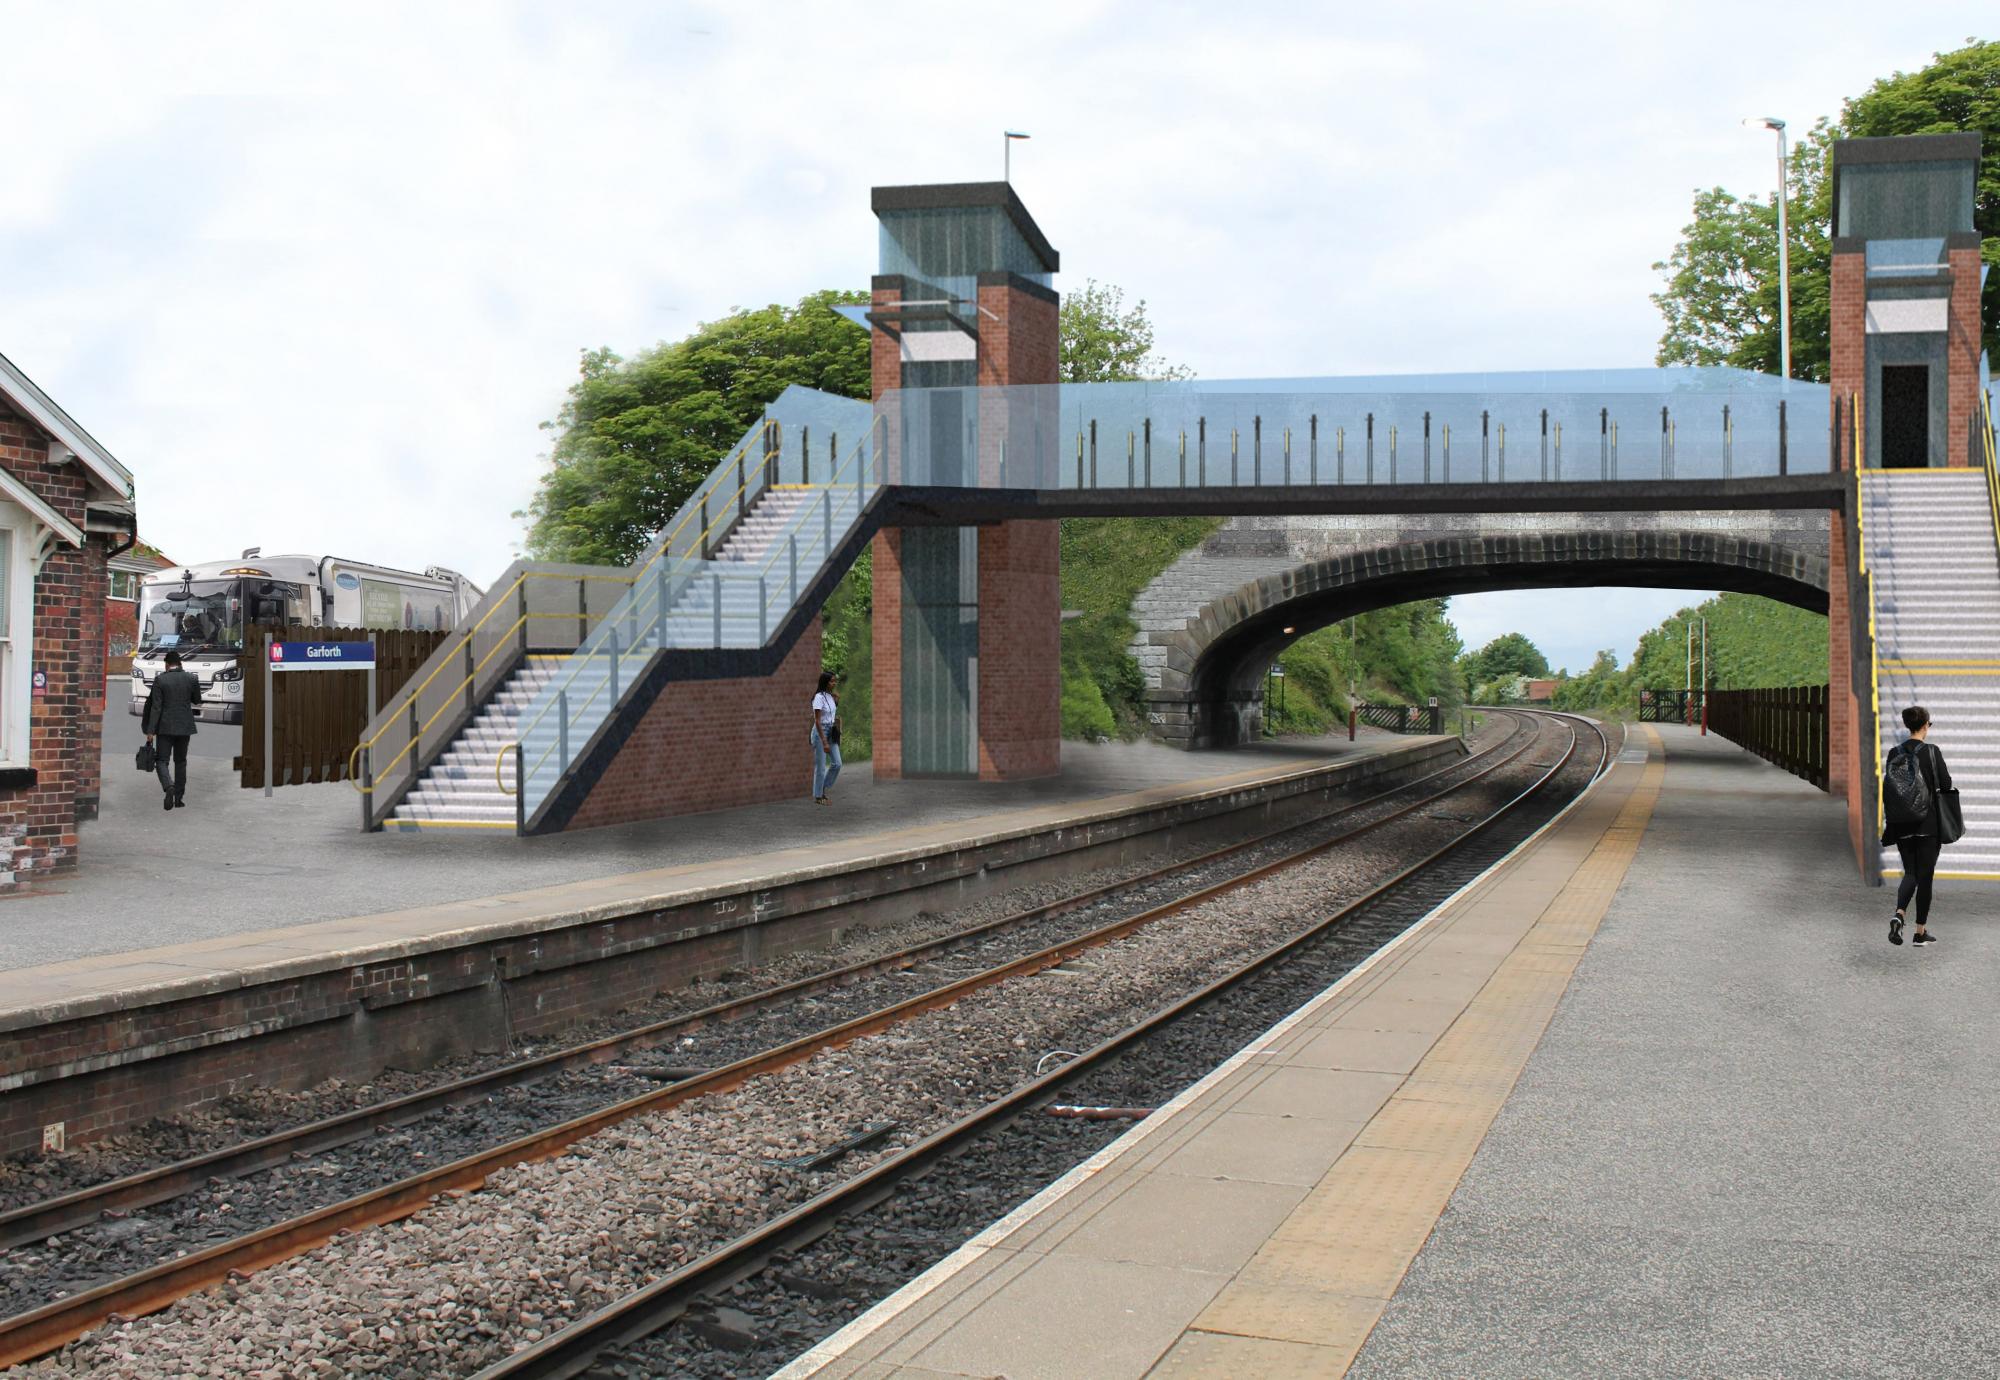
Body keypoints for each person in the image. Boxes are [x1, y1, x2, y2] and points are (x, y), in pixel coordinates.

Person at [1882, 704, 1951, 947]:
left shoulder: (1894, 753)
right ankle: (1920, 932)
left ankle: (1899, 914)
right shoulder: (1932, 751)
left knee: (1910, 873)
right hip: (1927, 825)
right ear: (1925, 726)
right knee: (1925, 877)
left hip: (1902, 823)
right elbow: (1946, 783)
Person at [142, 651, 203, 810]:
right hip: (185, 727)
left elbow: (156, 707)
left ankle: (169, 786)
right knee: (181, 762)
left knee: (162, 761)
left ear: (167, 664)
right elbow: (197, 700)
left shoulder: (160, 680)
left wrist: (150, 731)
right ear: (180, 663)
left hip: (165, 727)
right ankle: (178, 799)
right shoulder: (191, 678)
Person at [811, 672, 841, 805]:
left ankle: (822, 787)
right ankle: (819, 796)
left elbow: (830, 714)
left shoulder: (830, 696)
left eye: (835, 681)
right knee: (821, 767)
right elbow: (817, 721)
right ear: (825, 682)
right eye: (832, 681)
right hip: (820, 732)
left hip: (831, 731)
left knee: (837, 763)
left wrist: (836, 702)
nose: (834, 683)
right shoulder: (818, 697)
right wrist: (824, 742)